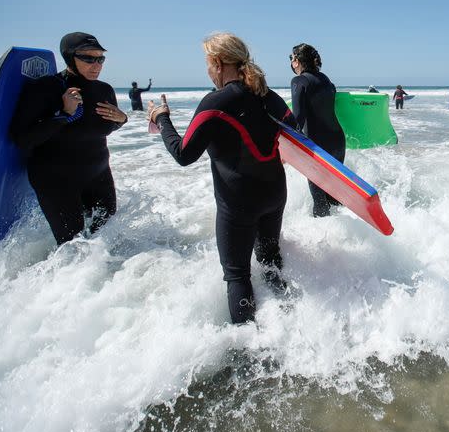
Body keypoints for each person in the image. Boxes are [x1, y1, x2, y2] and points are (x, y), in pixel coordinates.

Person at [147, 32, 295, 324]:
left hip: (239, 203)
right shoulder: (268, 94)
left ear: (216, 62)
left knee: (238, 274)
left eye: (207, 63)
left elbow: (183, 154)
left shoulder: (214, 103)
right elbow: (295, 130)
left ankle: (249, 351)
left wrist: (161, 118)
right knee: (270, 260)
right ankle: (288, 321)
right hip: (275, 192)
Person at [10, 32, 127, 244]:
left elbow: (102, 128)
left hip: (98, 174)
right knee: (71, 246)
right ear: (69, 57)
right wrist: (64, 114)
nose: (96, 64)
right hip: (56, 179)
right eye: (88, 58)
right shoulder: (45, 89)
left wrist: (121, 119)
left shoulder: (105, 90)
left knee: (106, 240)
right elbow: (23, 139)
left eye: (100, 58)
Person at [289, 43, 346, 217]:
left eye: (291, 58)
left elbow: (297, 119)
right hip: (338, 142)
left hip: (318, 147)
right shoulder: (325, 79)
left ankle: (328, 241)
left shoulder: (299, 81)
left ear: (297, 61)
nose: (291, 62)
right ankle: (347, 235)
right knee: (334, 198)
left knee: (320, 203)